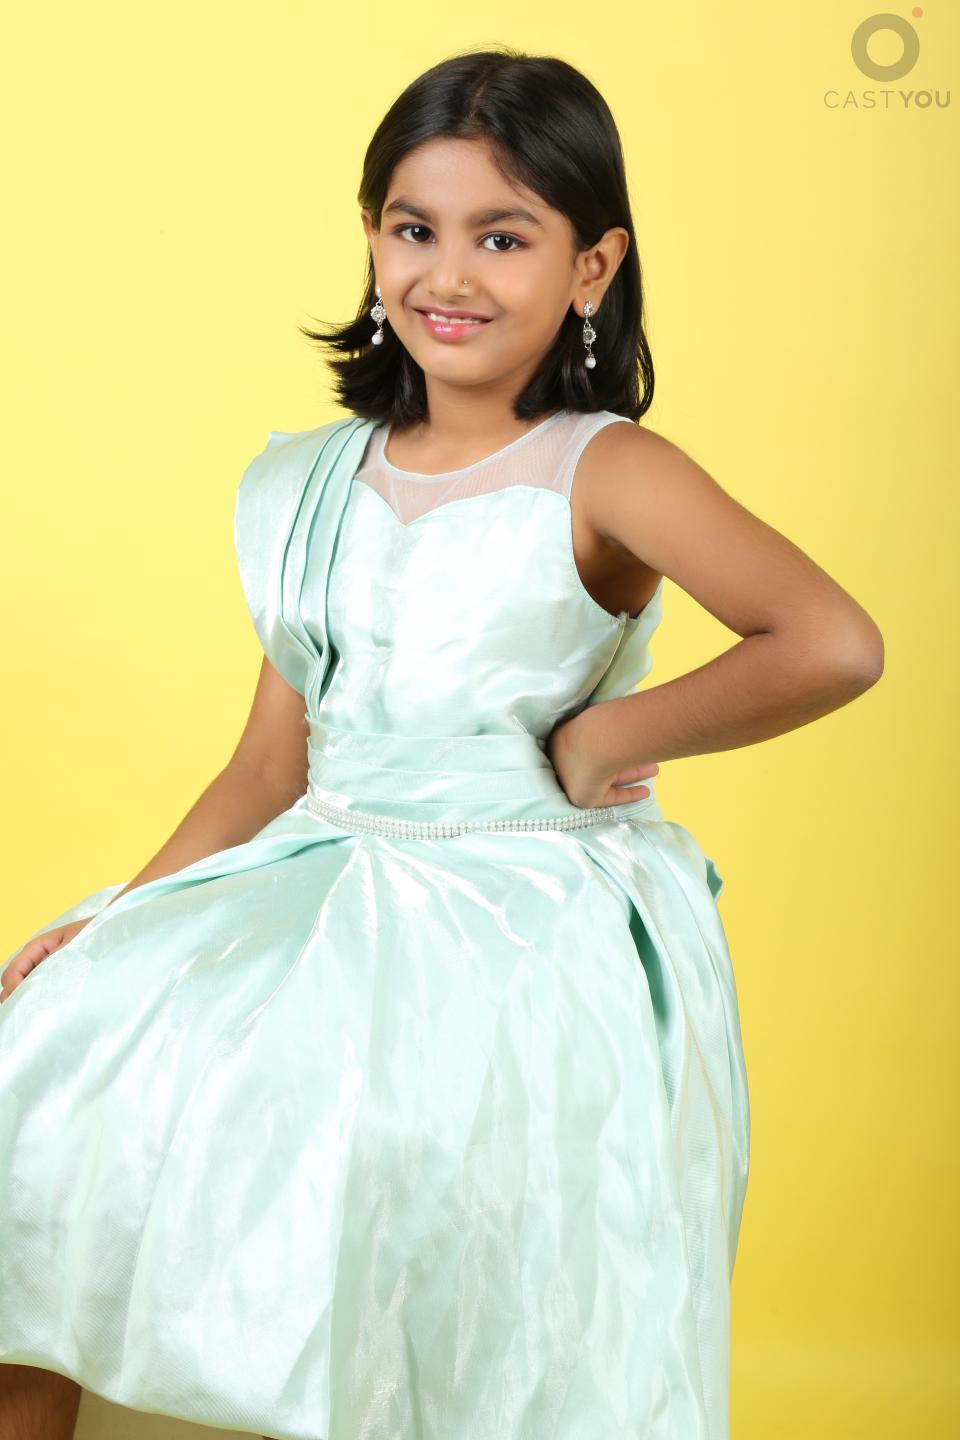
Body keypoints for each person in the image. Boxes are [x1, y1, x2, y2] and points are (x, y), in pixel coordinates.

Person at [0, 46, 883, 1440]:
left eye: (504, 238)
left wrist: (610, 732)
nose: (449, 275)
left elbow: (831, 641)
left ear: (592, 266)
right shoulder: (313, 482)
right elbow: (269, 765)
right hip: (325, 882)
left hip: (514, 926)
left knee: (389, 1189)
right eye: (416, 229)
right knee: (49, 1064)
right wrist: (121, 919)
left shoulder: (604, 468)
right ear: (370, 238)